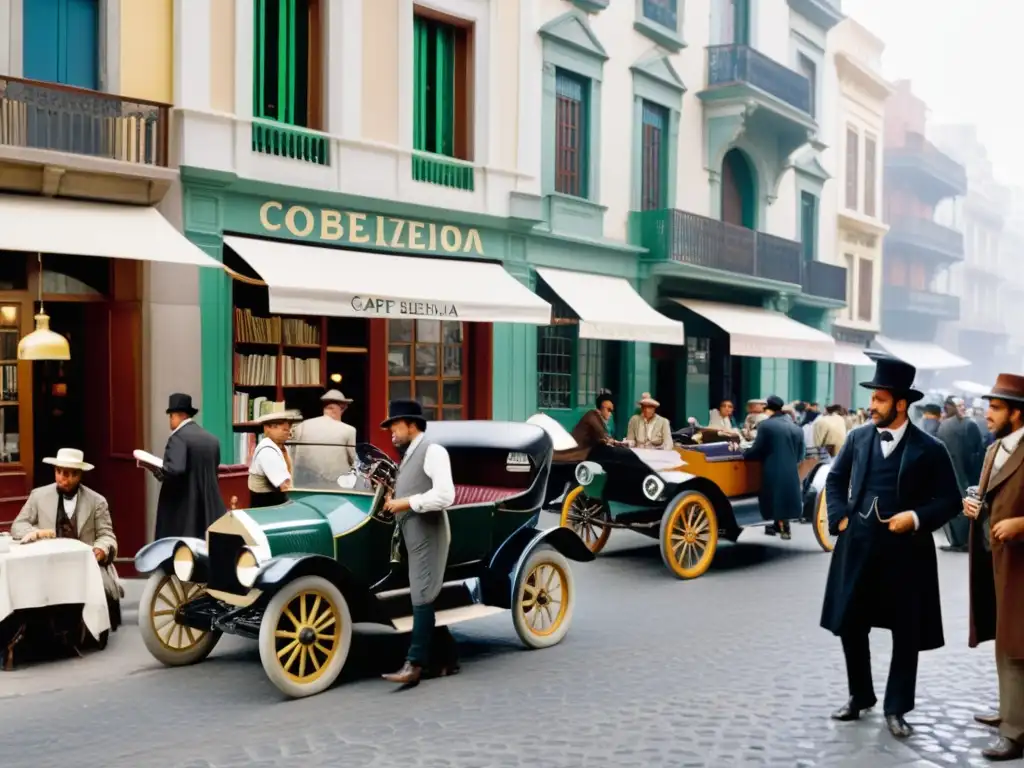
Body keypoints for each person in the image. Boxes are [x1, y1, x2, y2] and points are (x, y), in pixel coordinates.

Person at [820, 353, 961, 740]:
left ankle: (896, 708)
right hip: (858, 548)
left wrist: (915, 517)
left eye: (879, 399)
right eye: (873, 398)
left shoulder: (930, 449)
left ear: (901, 403)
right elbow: (835, 481)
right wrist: (840, 518)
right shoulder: (858, 438)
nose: (872, 406)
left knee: (906, 632)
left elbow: (948, 500)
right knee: (851, 623)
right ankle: (859, 695)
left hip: (907, 556)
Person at [965, 373, 1024, 761]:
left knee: (1017, 645)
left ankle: (1015, 731)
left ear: (1017, 414)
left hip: (1021, 566)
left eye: (996, 407)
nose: (988, 414)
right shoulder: (994, 449)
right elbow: (989, 496)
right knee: (1004, 640)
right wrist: (973, 505)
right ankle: (1009, 711)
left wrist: (1023, 524)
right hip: (994, 562)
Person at [380, 400, 458, 685]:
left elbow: (446, 495)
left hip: (428, 534)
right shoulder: (410, 454)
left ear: (412, 425)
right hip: (413, 535)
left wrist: (406, 502)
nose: (391, 432)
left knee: (422, 595)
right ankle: (447, 658)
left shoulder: (433, 451)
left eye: (395, 426)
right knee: (423, 594)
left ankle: (413, 665)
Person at [12, 448, 124, 629]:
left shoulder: (97, 501)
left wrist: (101, 550)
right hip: (47, 563)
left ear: (79, 475)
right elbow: (18, 526)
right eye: (60, 472)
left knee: (101, 588)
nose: (64, 478)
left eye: (70, 474)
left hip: (85, 564)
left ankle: (90, 629)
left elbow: (106, 535)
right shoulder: (38, 496)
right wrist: (39, 533)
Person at [151, 393, 226, 539]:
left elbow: (175, 470)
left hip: (183, 511)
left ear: (176, 416)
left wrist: (158, 471)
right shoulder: (211, 440)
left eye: (170, 417)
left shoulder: (178, 438)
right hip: (210, 508)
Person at [742, 395, 804, 540]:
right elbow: (801, 454)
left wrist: (744, 454)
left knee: (773, 497)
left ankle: (775, 525)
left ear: (768, 409)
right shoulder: (796, 428)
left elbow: (757, 449)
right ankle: (782, 527)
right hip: (790, 470)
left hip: (772, 468)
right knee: (783, 497)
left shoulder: (766, 425)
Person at [937, 396, 985, 552]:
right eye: (960, 405)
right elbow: (976, 453)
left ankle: (958, 541)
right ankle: (964, 541)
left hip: (951, 473)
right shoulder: (969, 425)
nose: (963, 408)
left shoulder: (944, 426)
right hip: (965, 474)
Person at [290, 389, 358, 488]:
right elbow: (354, 461)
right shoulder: (349, 430)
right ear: (339, 409)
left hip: (303, 484)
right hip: (336, 487)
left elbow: (292, 455)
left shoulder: (301, 426)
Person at [248, 410, 304, 507]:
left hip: (277, 505)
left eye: (288, 429)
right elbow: (285, 485)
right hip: (267, 509)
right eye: (284, 429)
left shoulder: (280, 448)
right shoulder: (267, 450)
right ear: (268, 428)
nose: (288, 432)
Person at [556, 390, 617, 463]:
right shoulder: (592, 416)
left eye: (611, 411)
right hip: (575, 451)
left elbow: (600, 438)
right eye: (608, 410)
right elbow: (602, 433)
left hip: (582, 452)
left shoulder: (600, 419)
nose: (610, 414)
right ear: (600, 408)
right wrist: (613, 441)